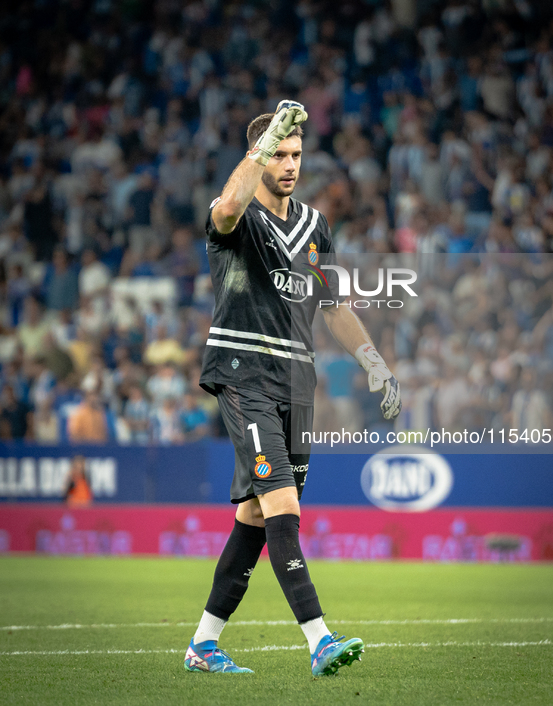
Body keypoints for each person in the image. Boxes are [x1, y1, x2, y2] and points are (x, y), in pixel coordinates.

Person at [184, 101, 401, 677]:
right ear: (258, 156)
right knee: (283, 503)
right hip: (244, 371)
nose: (289, 164)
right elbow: (228, 206)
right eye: (279, 153)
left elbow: (333, 306)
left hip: (297, 382)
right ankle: (319, 639)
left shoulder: (313, 226)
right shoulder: (234, 218)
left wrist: (373, 361)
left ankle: (203, 645)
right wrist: (259, 146)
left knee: (257, 515)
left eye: (295, 154)